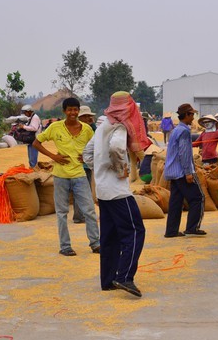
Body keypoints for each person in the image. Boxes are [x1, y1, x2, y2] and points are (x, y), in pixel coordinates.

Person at [84, 92, 149, 297]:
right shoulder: (119, 127)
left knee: (110, 237)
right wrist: (121, 169)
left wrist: (100, 168)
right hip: (118, 191)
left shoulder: (103, 126)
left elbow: (87, 154)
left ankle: (108, 280)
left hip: (103, 191)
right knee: (135, 232)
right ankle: (124, 277)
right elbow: (116, 148)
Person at [33, 98, 100, 256]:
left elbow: (95, 146)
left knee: (89, 211)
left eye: (75, 110)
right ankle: (65, 246)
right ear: (64, 111)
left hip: (80, 175)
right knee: (62, 213)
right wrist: (53, 157)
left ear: (78, 111)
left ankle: (96, 243)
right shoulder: (55, 127)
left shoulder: (87, 129)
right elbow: (36, 143)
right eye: (69, 110)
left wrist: (86, 157)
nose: (73, 113)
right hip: (60, 176)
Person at [164, 103, 206, 238]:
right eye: (192, 114)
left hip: (173, 171)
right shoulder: (184, 131)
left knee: (176, 202)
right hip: (182, 172)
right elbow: (184, 153)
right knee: (198, 198)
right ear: (186, 115)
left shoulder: (175, 130)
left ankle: (171, 231)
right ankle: (192, 227)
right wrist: (188, 172)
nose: (193, 118)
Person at [73, 106, 97, 224]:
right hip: (80, 164)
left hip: (86, 164)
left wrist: (92, 125)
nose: (88, 118)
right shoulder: (79, 130)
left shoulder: (88, 129)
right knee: (81, 190)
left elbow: (97, 138)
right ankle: (79, 216)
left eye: (89, 116)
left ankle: (81, 215)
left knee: (83, 189)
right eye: (85, 116)